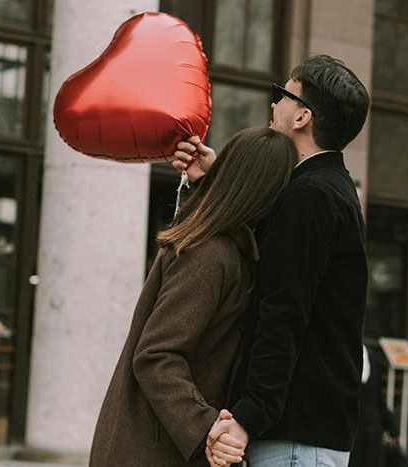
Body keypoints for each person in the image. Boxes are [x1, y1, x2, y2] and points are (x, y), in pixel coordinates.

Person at [173, 54, 370, 466]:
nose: (273, 104)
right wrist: (213, 182)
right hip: (304, 435)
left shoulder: (310, 196)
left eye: (283, 95)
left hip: (295, 438)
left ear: (302, 117)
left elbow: (282, 312)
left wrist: (248, 416)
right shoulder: (324, 188)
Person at [89, 127, 297, 466]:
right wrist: (205, 431)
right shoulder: (211, 254)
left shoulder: (220, 244)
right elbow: (157, 355)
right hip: (152, 451)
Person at [349, 341, 400, 467]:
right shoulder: (347, 354)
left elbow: (378, 397)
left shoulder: (372, 358)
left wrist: (392, 428)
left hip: (372, 429)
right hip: (351, 425)